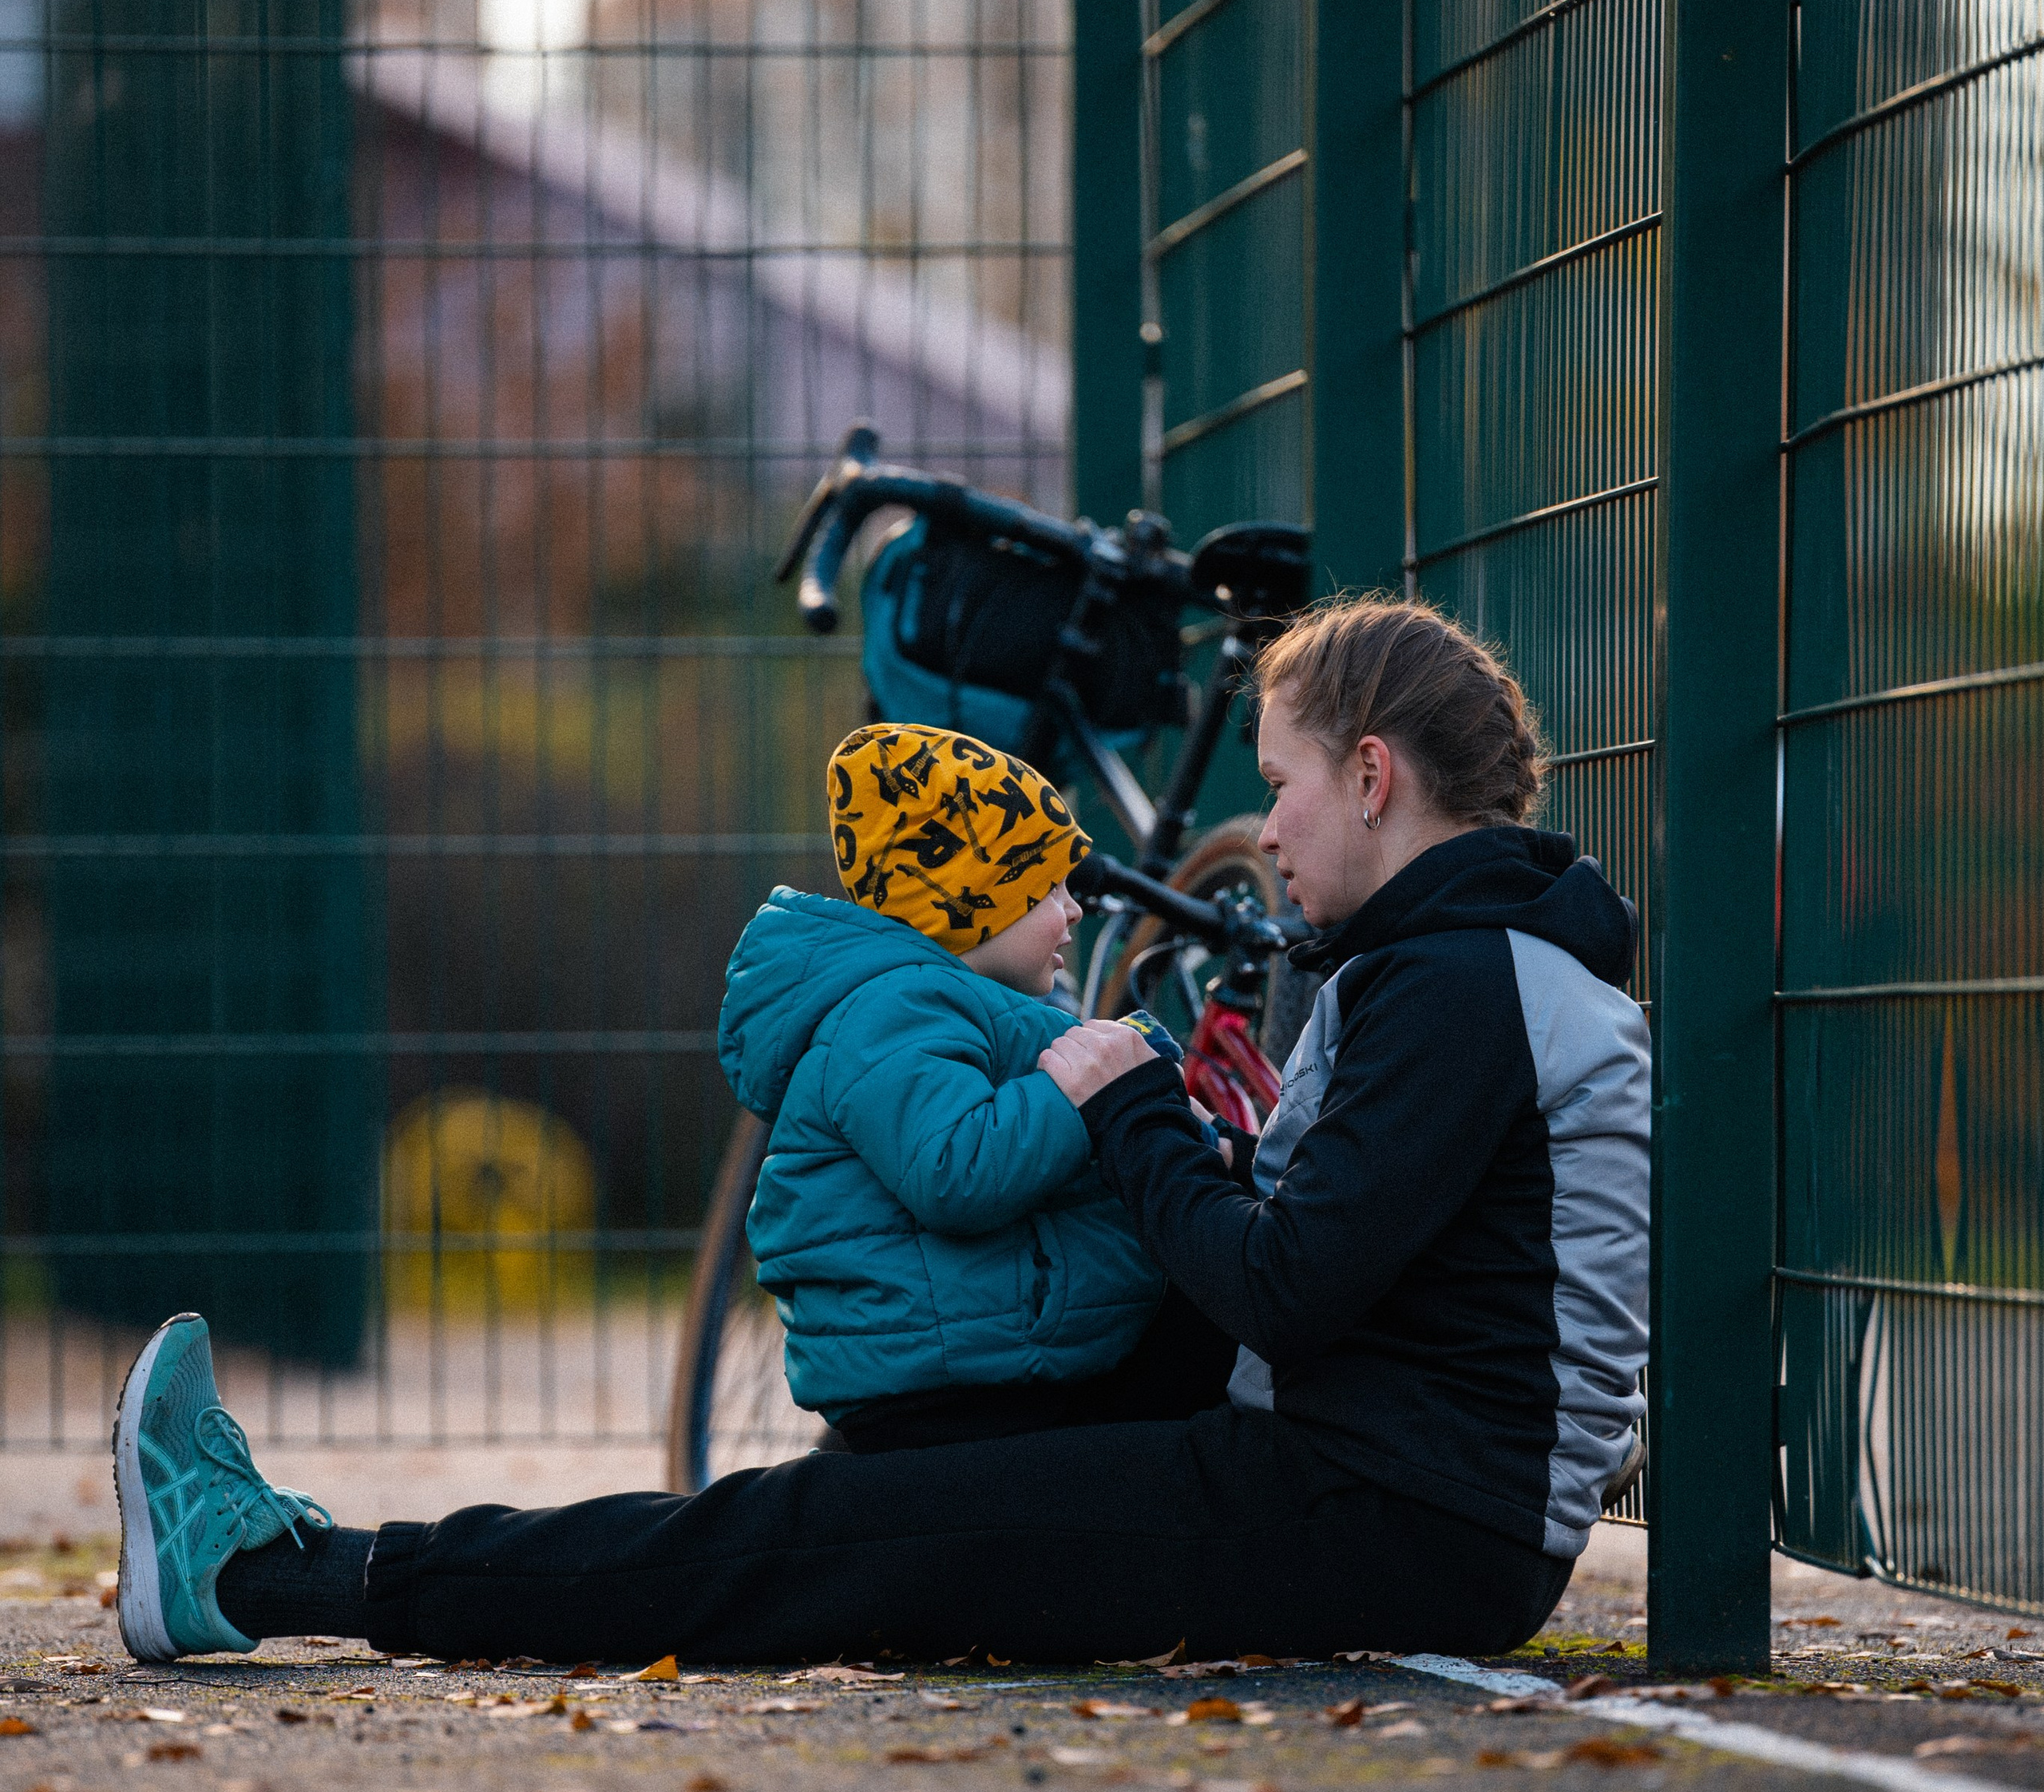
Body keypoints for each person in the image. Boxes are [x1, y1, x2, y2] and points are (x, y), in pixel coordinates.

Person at [110, 595, 1650, 1675]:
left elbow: (1291, 1289)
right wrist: (1168, 1147)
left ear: (1372, 778)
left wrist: (1128, 1110)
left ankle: (271, 1573)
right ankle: (862, 1470)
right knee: (853, 1503)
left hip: (1390, 1520)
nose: (1278, 830)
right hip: (1363, 1470)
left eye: (1283, 787)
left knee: (822, 1543)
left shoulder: (1463, 985)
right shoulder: (1461, 966)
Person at [719, 720, 1233, 1454]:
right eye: (1047, 884)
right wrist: (1084, 1095)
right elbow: (955, 1169)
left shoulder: (958, 1007)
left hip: (971, 1345)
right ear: (970, 900)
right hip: (937, 1378)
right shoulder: (893, 1011)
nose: (1075, 907)